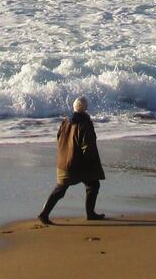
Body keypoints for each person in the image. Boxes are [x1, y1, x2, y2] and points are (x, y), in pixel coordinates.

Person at [38, 96, 106, 224]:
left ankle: (44, 213)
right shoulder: (85, 123)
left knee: (62, 189)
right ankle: (90, 214)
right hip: (77, 164)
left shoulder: (65, 121)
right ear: (85, 108)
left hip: (64, 161)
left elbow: (59, 137)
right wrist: (91, 162)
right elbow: (88, 146)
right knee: (92, 185)